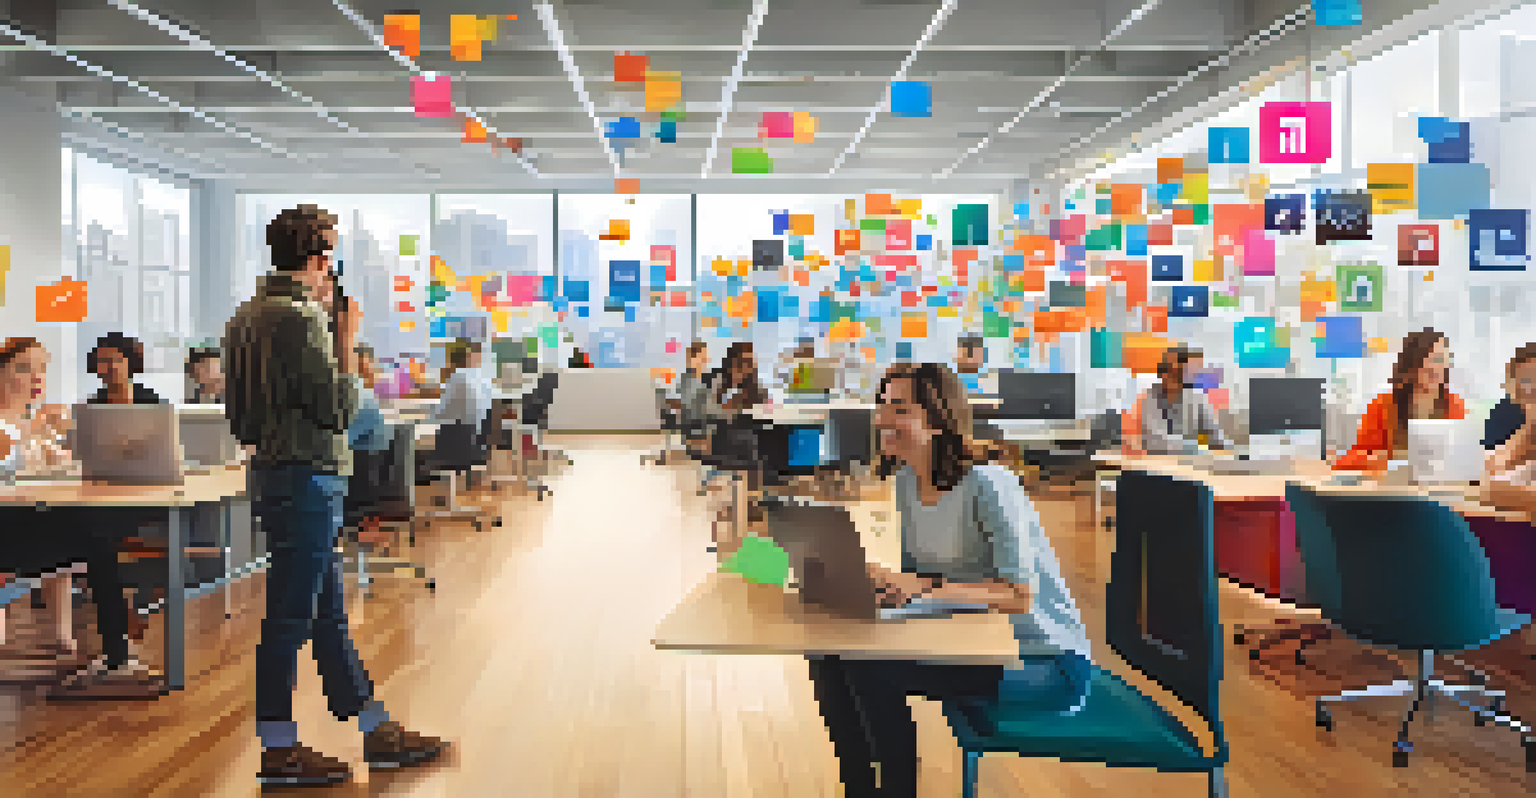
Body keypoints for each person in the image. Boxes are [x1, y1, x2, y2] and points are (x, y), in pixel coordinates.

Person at [225, 205, 445, 787]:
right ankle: (278, 748)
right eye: (332, 255)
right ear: (321, 257)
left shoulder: (245, 317)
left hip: (276, 473)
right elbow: (339, 409)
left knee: (325, 615)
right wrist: (345, 339)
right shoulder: (300, 321)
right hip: (309, 478)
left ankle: (376, 729)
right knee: (292, 616)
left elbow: (242, 421)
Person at [807, 362, 1093, 798]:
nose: (883, 418)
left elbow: (1019, 596)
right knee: (829, 654)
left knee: (871, 669)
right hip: (969, 640)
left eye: (899, 408)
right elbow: (922, 576)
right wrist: (881, 583)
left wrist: (921, 588)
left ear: (938, 421)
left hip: (1040, 659)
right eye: (882, 405)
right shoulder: (906, 480)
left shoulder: (989, 484)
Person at [0, 337, 164, 698]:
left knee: (101, 536)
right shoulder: (14, 423)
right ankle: (118, 653)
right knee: (98, 538)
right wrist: (35, 435)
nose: (35, 377)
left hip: (30, 521)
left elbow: (61, 468)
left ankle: (117, 656)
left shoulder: (32, 418)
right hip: (8, 532)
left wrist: (63, 445)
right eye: (24, 368)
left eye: (41, 368)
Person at [1335, 328, 1464, 472]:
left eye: (1440, 359)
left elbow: (1465, 456)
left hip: (1442, 487)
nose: (1434, 368)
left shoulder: (1454, 404)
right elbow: (1348, 460)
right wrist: (1377, 460)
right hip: (1394, 489)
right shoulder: (1383, 405)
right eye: (1426, 360)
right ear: (1411, 364)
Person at [1126, 345, 1231, 455]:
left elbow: (1215, 439)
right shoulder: (1149, 398)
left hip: (1194, 462)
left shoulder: (1197, 399)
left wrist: (1224, 448)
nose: (1170, 376)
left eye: (1177, 371)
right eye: (1168, 369)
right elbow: (1156, 443)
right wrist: (1200, 447)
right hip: (1160, 464)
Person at [1484, 343, 1536, 514]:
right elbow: (1489, 471)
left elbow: (1492, 491)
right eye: (1525, 381)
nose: (1530, 388)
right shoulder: (1506, 410)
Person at [86, 333, 163, 406]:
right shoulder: (91, 406)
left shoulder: (151, 402)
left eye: (117, 360)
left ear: (130, 362)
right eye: (103, 361)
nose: (112, 366)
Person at [431, 340, 492, 429]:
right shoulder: (484, 377)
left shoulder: (458, 377)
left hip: (460, 431)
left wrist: (433, 411)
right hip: (479, 429)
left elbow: (443, 412)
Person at [707, 341, 768, 418]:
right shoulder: (717, 380)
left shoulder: (750, 382)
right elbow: (712, 409)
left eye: (751, 363)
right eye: (745, 362)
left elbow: (762, 402)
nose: (749, 367)